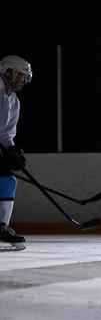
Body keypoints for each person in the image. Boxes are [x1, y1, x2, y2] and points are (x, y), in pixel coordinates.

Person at [0, 55, 33, 250]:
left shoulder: (14, 101)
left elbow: (5, 133)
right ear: (8, 71)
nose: (23, 80)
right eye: (21, 75)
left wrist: (11, 150)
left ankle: (2, 226)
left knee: (7, 179)